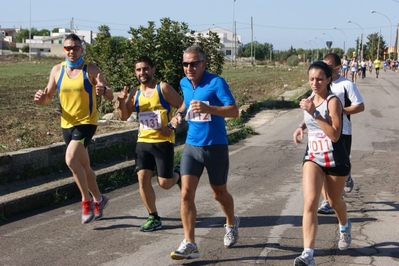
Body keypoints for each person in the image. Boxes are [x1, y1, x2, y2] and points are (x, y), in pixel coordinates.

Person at [169, 45, 240, 260]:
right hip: (192, 146)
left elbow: (234, 111)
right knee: (186, 193)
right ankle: (190, 243)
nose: (189, 68)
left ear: (203, 64)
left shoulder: (216, 82)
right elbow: (186, 104)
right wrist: (178, 116)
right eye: (185, 64)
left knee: (218, 193)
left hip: (215, 146)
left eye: (193, 63)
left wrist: (210, 109)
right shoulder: (184, 83)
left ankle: (231, 222)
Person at [34, 33, 113, 224]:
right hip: (66, 125)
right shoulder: (56, 70)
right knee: (84, 166)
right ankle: (99, 199)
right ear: (64, 50)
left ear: (81, 49)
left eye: (75, 48)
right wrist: (40, 99)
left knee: (70, 160)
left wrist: (103, 91)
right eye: (68, 48)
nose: (71, 51)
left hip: (87, 122)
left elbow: (110, 95)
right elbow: (48, 97)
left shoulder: (91, 69)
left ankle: (86, 202)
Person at [293, 61, 352, 266]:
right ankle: (308, 253)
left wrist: (315, 114)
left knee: (335, 203)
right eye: (311, 79)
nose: (315, 83)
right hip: (313, 158)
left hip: (336, 159)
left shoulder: (333, 102)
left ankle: (344, 226)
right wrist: (301, 127)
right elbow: (310, 120)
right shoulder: (309, 99)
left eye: (319, 79)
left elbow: (335, 135)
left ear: (328, 79)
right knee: (310, 202)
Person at [117, 56, 183, 232]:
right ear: (135, 72)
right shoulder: (135, 91)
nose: (142, 73)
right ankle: (153, 217)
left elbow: (182, 106)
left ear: (153, 69)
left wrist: (172, 124)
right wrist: (121, 101)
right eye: (138, 70)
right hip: (143, 142)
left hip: (163, 142)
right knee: (142, 179)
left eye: (145, 69)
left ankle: (178, 175)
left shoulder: (163, 88)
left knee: (164, 183)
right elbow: (124, 116)